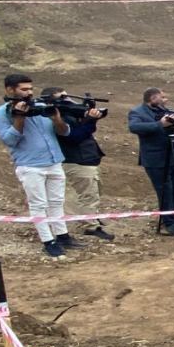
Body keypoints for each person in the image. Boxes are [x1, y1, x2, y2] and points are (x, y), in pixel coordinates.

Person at [0, 73, 73, 257]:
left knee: (57, 202)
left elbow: (65, 132)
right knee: (38, 204)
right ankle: (48, 240)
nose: (28, 93)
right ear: (10, 90)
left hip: (54, 161)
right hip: (30, 165)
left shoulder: (42, 107)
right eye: (24, 89)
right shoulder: (1, 114)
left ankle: (62, 235)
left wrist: (57, 119)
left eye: (30, 89)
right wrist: (20, 117)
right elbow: (10, 140)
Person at [44, 86, 114, 241]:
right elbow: (75, 136)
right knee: (87, 195)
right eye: (62, 97)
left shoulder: (69, 113)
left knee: (94, 192)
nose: (67, 100)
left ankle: (91, 218)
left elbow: (84, 129)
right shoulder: (56, 118)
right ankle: (90, 226)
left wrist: (89, 118)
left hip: (86, 159)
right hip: (76, 160)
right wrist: (90, 121)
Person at [128, 87, 174, 236]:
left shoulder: (164, 110)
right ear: (152, 98)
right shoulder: (137, 112)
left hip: (173, 155)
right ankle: (168, 222)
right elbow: (134, 127)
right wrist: (159, 125)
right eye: (162, 97)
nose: (165, 100)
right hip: (155, 159)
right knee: (165, 191)